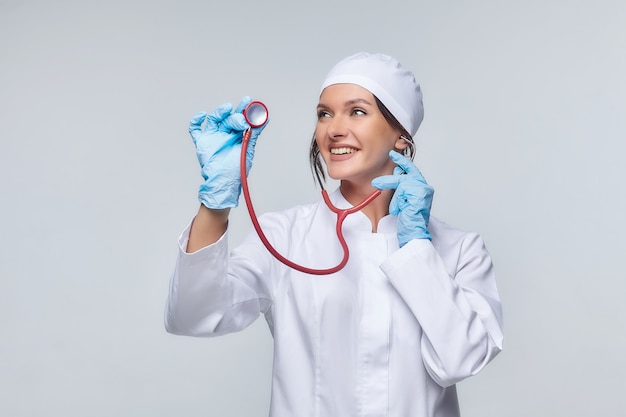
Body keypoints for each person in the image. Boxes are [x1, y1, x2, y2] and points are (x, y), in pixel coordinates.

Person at [165, 52, 504, 417]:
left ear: (402, 136)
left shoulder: (459, 250)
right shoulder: (284, 236)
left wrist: (417, 247)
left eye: (356, 111)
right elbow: (193, 316)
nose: (333, 128)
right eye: (324, 113)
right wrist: (216, 203)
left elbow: (460, 361)